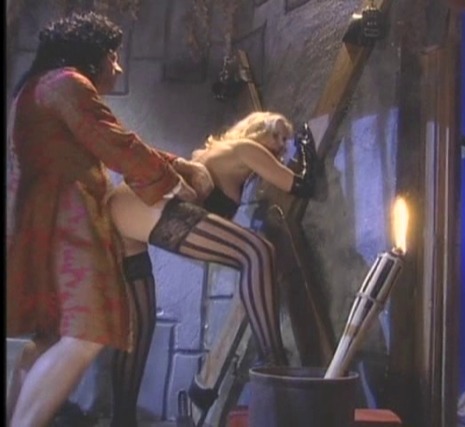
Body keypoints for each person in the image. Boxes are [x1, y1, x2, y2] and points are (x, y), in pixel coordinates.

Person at [5, 12, 212, 427]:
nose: (117, 67)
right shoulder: (67, 84)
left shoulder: (39, 86)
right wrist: (176, 185)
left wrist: (177, 165)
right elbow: (116, 144)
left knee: (51, 338)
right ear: (92, 56)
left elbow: (110, 138)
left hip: (42, 225)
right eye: (112, 56)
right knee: (86, 334)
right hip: (66, 227)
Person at [107, 111, 318, 426]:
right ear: (256, 129)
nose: (280, 145)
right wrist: (307, 148)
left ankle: (121, 421)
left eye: (286, 139)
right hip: (142, 202)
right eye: (276, 135)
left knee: (140, 328)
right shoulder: (248, 148)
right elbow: (300, 185)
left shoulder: (216, 153)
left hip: (124, 207)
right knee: (257, 251)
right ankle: (275, 363)